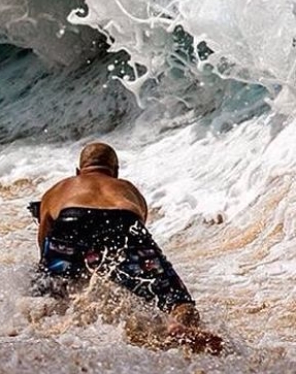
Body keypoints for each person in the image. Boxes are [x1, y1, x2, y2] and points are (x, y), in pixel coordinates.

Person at [30, 142, 223, 354]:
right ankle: (179, 326)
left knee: (45, 291)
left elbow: (44, 242)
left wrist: (55, 273)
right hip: (123, 218)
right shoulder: (127, 189)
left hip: (71, 218)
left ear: (78, 171)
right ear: (115, 172)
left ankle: (39, 330)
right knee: (177, 301)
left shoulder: (59, 189)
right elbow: (137, 240)